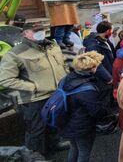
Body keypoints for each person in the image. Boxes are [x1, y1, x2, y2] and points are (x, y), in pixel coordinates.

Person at [0, 22, 70, 155]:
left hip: (56, 94)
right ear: (25, 34)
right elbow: (5, 79)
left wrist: (65, 76)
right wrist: (33, 87)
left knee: (54, 122)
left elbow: (63, 63)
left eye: (42, 30)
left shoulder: (52, 46)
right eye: (36, 31)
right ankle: (34, 156)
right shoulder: (15, 53)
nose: (40, 33)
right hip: (34, 99)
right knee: (36, 129)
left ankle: (54, 144)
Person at [60, 51, 111, 162]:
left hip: (67, 121)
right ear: (92, 68)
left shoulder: (67, 79)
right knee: (84, 152)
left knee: (74, 148)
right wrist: (107, 113)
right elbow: (96, 111)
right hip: (82, 126)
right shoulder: (86, 88)